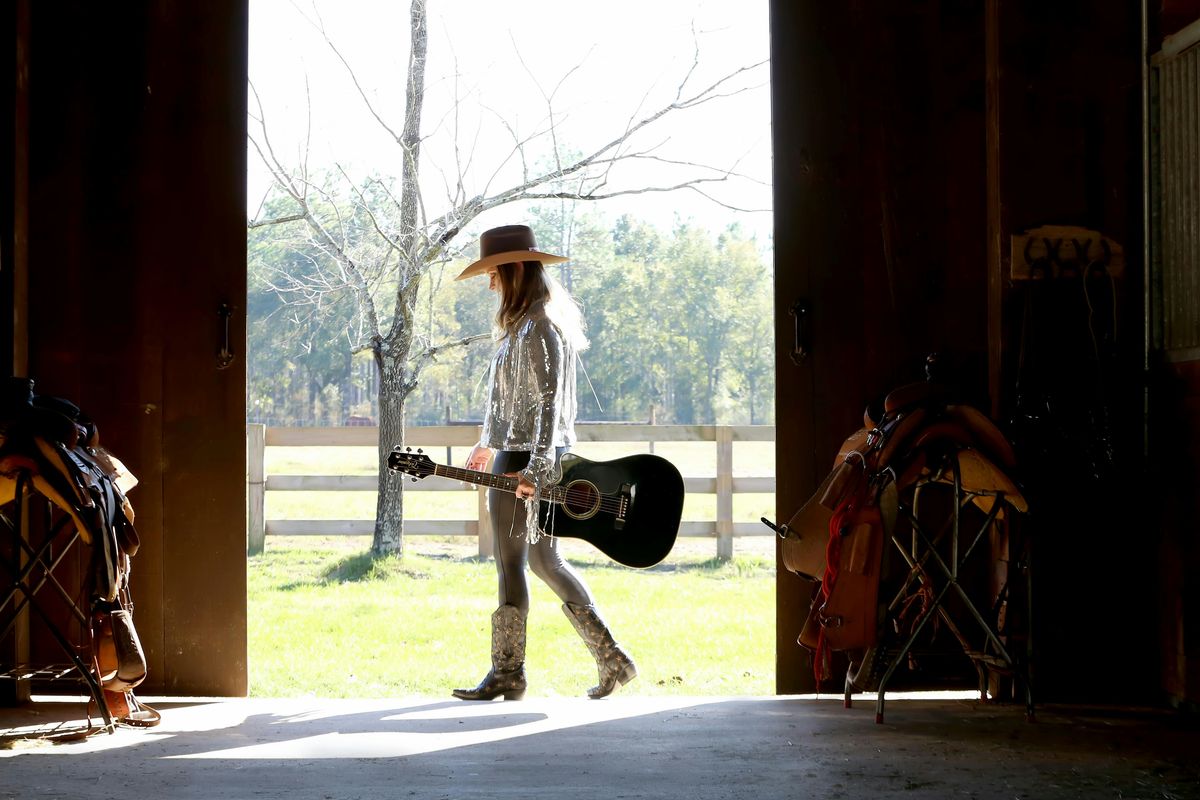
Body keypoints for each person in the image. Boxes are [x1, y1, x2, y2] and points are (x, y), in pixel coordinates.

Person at [451, 224, 636, 702]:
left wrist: (533, 468)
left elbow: (548, 405)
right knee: (543, 560)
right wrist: (486, 443)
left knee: (513, 562)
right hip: (528, 454)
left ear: (514, 269)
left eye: (494, 273)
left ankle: (508, 673)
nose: (490, 284)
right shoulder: (527, 327)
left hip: (527, 458)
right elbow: (508, 400)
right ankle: (612, 658)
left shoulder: (538, 329)